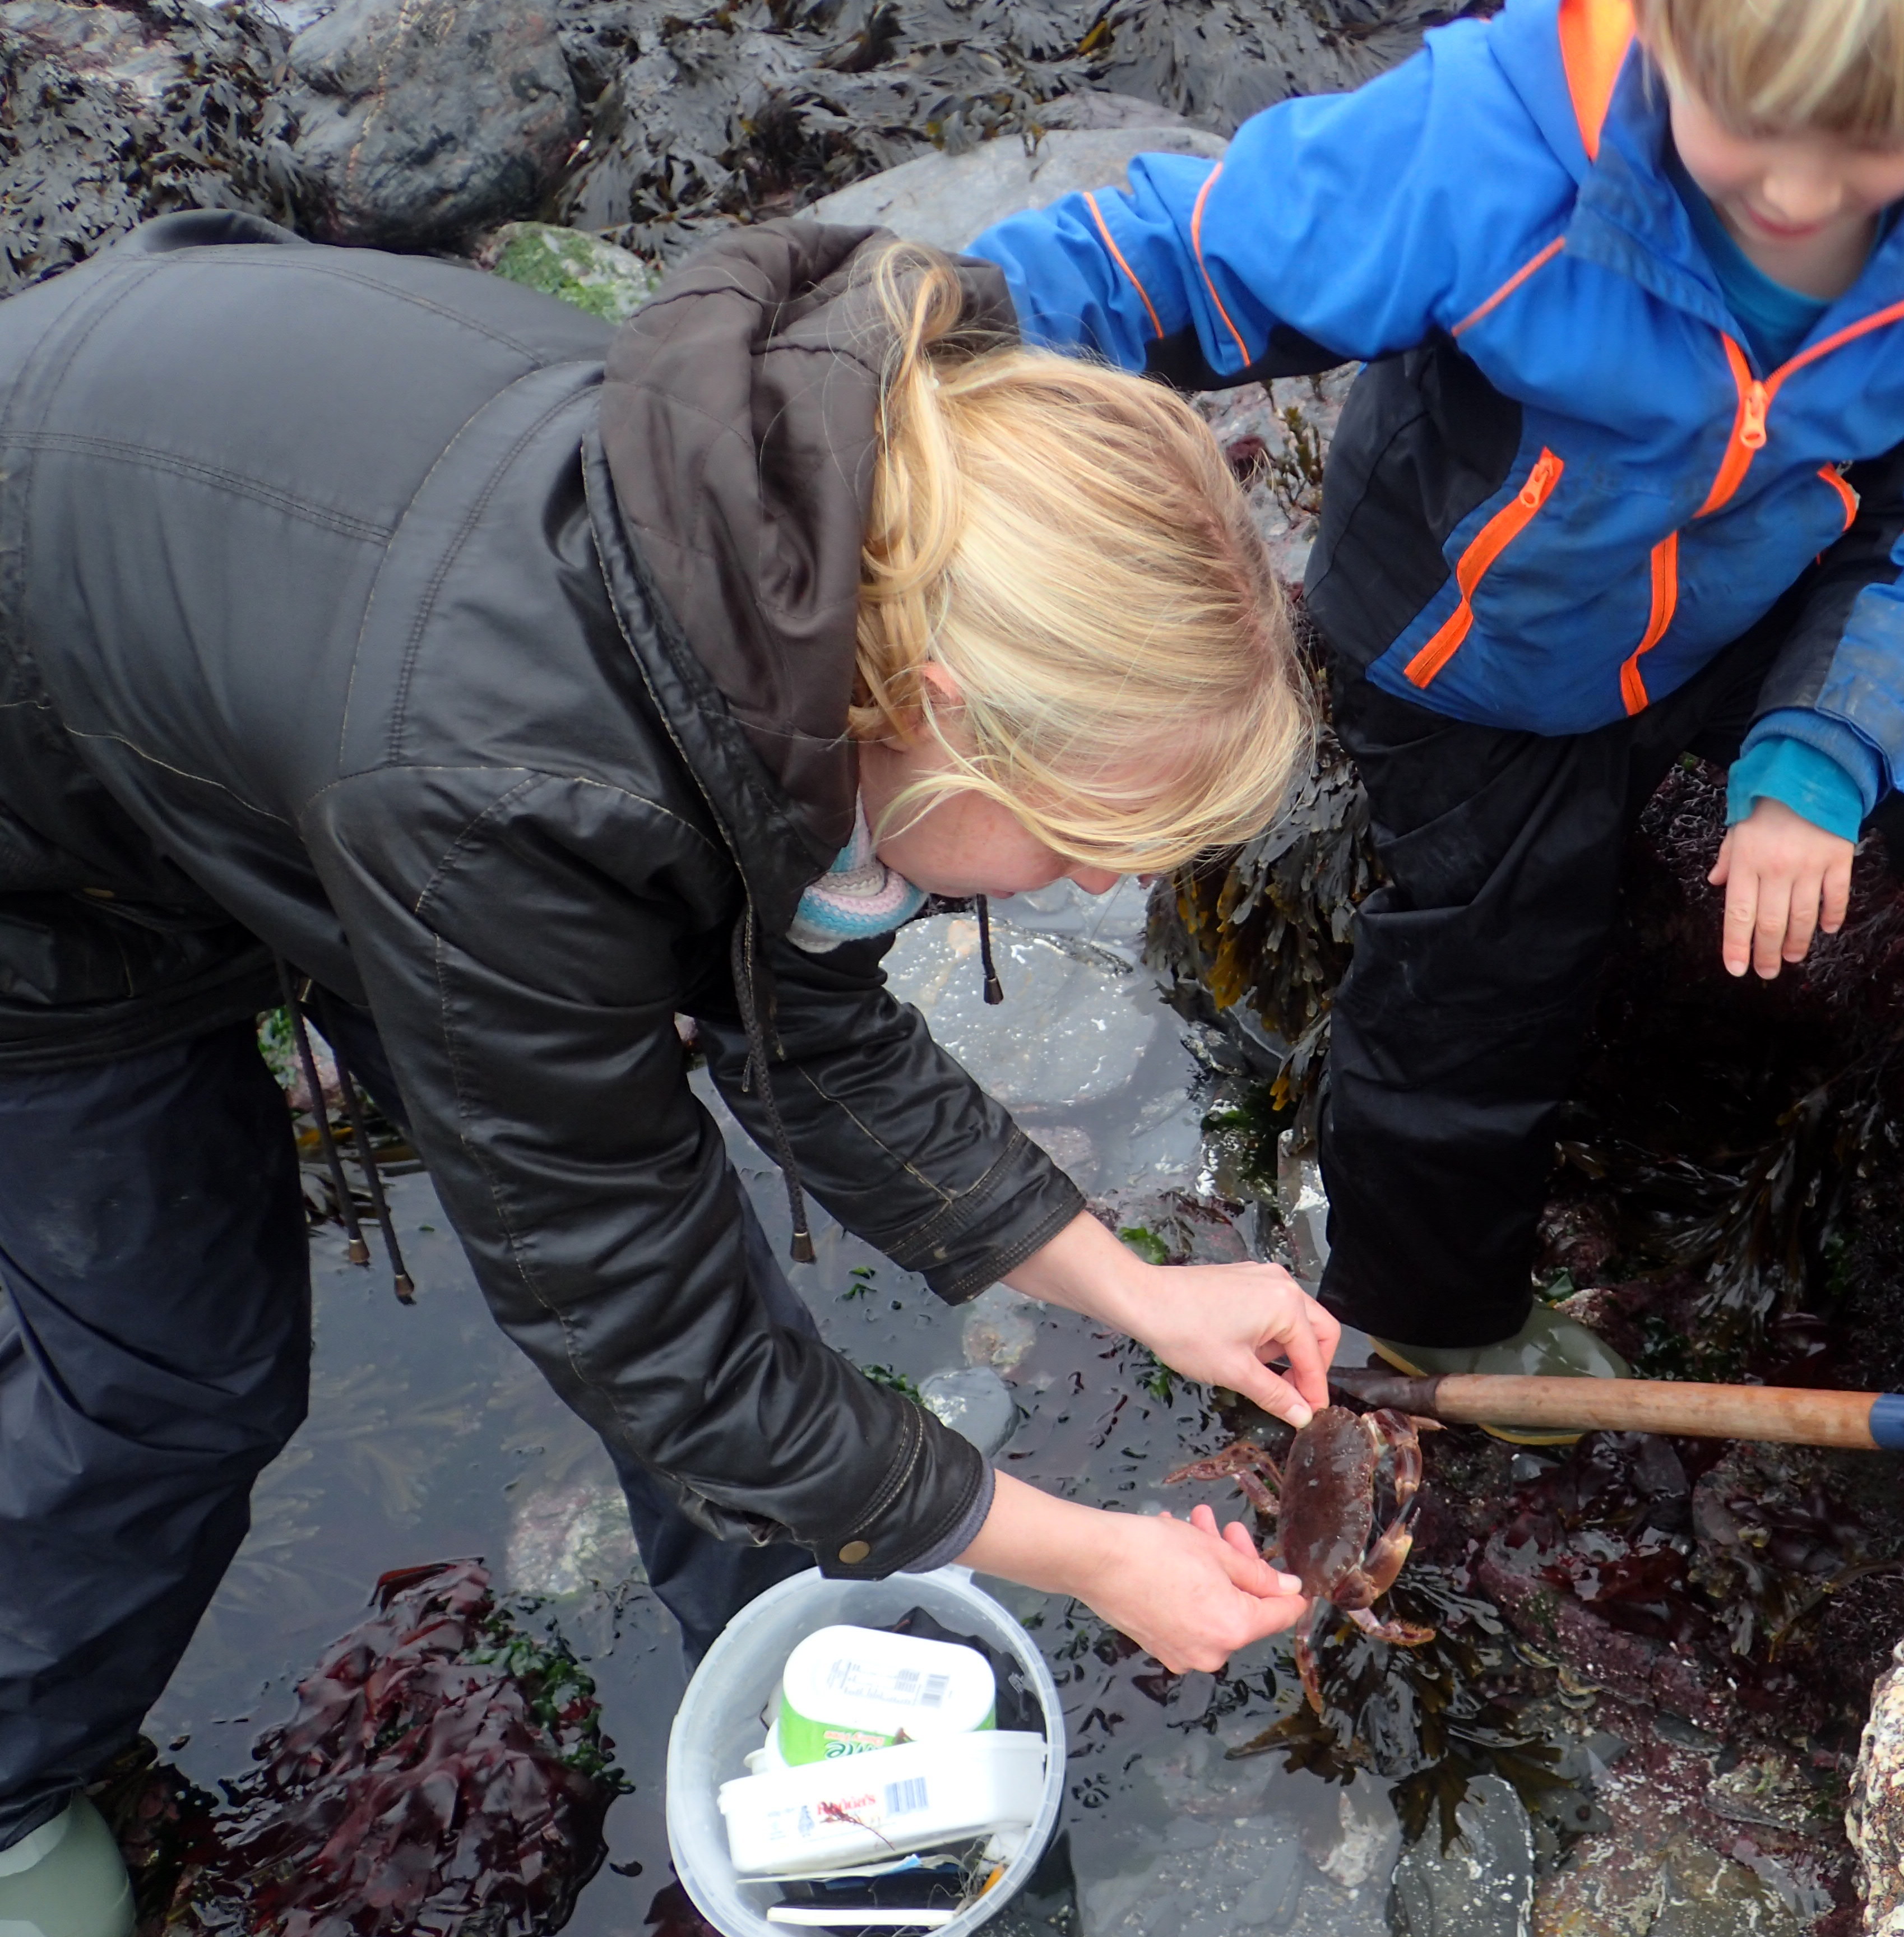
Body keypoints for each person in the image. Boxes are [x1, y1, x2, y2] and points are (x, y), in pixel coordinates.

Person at [0, 213, 1336, 1937]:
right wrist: (1089, 1552)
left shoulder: (792, 585)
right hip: (53, 793)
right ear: (939, 703)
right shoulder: (512, 803)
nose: (1095, 890)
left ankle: (789, 1657)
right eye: (1085, 838)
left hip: (271, 651)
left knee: (665, 1249)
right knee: (177, 1369)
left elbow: (817, 1037)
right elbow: (658, 1335)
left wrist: (1137, 1296)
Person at [967, 0, 1904, 1429]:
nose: (1795, 195)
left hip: (1777, 587)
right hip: (1481, 635)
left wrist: (1825, 750)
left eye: (1865, 152)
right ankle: (1435, 1309)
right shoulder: (1490, 138)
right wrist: (882, 347)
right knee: (1488, 949)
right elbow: (1168, 266)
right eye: (1750, 130)